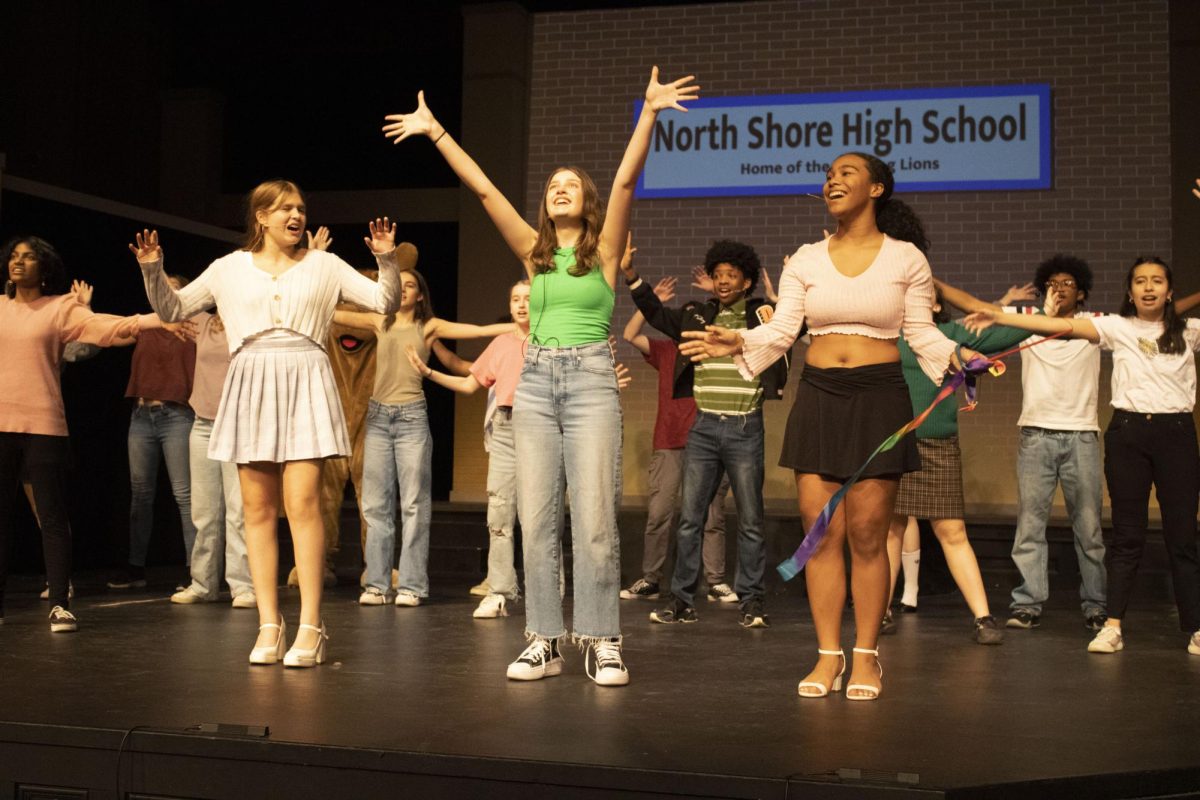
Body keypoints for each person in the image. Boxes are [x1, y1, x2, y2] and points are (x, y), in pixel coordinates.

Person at [384, 66, 698, 686]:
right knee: (538, 515)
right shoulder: (533, 251)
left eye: (570, 185)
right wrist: (437, 131)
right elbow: (483, 194)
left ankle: (603, 639)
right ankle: (545, 640)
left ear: (586, 201)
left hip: (588, 383)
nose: (559, 189)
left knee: (596, 518)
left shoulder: (606, 251)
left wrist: (650, 112)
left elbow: (628, 176)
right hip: (534, 383)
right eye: (552, 185)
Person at [680, 153, 972, 700]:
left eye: (847, 173)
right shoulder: (807, 259)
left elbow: (921, 332)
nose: (833, 179)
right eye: (829, 174)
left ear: (877, 188)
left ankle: (866, 658)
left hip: (880, 398)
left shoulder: (905, 258)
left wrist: (958, 356)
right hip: (819, 399)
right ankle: (827, 657)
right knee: (821, 539)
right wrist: (738, 339)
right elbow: (786, 329)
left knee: (867, 536)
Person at [131, 179, 402, 668]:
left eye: (300, 208)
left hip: (304, 376)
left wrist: (387, 260)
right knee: (256, 509)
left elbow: (386, 303)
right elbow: (172, 309)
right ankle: (269, 624)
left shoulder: (323, 265)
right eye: (285, 209)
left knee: (302, 505)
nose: (296, 216)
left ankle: (312, 627)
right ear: (261, 217)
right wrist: (153, 269)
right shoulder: (228, 269)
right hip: (251, 378)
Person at [964, 257, 1200, 656]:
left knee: (1173, 537)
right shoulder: (1116, 328)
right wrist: (998, 313)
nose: (1148, 287)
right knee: (1119, 536)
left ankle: (1190, 625)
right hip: (1117, 432)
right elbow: (1052, 326)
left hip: (1167, 434)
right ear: (1129, 292)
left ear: (1170, 291)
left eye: (1157, 281)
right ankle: (1108, 623)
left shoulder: (1186, 331)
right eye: (1140, 281)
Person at [936, 257, 1118, 632]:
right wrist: (925, 275)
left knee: (1089, 528)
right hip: (1035, 434)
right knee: (1030, 525)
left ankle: (1096, 605)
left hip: (1081, 435)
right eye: (1052, 282)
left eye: (1068, 282)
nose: (1059, 288)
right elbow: (975, 306)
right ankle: (1027, 604)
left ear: (1081, 292)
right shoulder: (1026, 321)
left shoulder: (1096, 323)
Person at [624, 239, 788, 628]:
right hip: (704, 426)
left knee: (750, 519)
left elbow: (788, 332)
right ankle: (682, 601)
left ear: (747, 282)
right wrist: (631, 275)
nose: (723, 281)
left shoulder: (762, 315)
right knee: (690, 518)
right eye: (717, 275)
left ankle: (752, 602)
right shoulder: (696, 314)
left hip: (745, 426)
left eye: (731, 275)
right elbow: (654, 313)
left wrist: (783, 301)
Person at [0, 236, 158, 631]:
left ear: (46, 268)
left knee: (52, 517)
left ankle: (59, 602)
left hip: (44, 426)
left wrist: (153, 320)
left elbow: (104, 329)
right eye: (14, 257)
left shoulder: (59, 308)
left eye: (29, 257)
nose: (18, 263)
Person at [333, 269, 514, 608]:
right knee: (375, 506)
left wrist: (523, 324)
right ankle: (376, 584)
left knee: (414, 505)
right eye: (397, 285)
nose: (403, 290)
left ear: (420, 295)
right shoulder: (378, 320)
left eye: (411, 285)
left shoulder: (428, 327)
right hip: (377, 418)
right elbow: (331, 311)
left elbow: (478, 330)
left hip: (411, 419)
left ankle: (412, 586)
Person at [884, 284, 1036, 645]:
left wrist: (1045, 312)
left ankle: (983, 617)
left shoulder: (952, 334)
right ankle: (881, 610)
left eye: (924, 295)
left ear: (937, 304)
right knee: (889, 533)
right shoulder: (887, 337)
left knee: (952, 532)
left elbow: (1012, 331)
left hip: (938, 446)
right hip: (894, 445)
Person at [618, 270, 734, 606]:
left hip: (709, 443)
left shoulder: (715, 350)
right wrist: (653, 305)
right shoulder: (667, 349)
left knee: (712, 515)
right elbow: (629, 334)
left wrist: (717, 292)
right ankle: (651, 579)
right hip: (669, 442)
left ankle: (715, 581)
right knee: (659, 514)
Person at [107, 274, 199, 591]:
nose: (167, 292)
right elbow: (110, 336)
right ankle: (135, 569)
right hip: (142, 415)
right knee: (140, 495)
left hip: (176, 415)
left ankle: (196, 571)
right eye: (164, 288)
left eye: (174, 287)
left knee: (184, 495)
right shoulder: (146, 327)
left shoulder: (193, 326)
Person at [168, 309, 255, 608]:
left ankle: (243, 586)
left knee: (237, 512)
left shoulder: (252, 322)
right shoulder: (202, 321)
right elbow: (167, 307)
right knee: (204, 512)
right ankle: (203, 584)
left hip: (238, 425)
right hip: (203, 423)